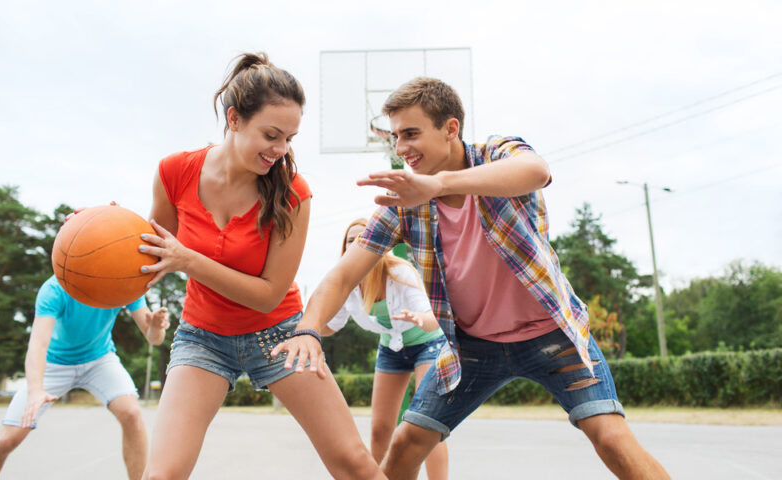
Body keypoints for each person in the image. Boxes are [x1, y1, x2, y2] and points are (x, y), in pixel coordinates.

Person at [273, 77, 671, 479]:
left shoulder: (496, 153)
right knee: (406, 443)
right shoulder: (404, 204)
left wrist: (439, 184)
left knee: (610, 438)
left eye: (411, 134)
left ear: (450, 129)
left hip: (551, 335)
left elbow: (535, 171)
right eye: (396, 137)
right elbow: (341, 277)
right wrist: (308, 329)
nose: (401, 148)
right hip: (473, 348)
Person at [137, 53, 384, 480]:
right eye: (271, 135)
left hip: (281, 334)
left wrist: (188, 259)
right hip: (203, 337)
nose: (280, 150)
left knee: (354, 464)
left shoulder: (292, 193)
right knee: (162, 474)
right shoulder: (174, 172)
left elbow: (269, 292)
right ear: (234, 119)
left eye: (289, 138)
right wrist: (95, 230)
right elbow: (151, 251)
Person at [0, 275, 169, 480]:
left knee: (132, 413)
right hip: (54, 364)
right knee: (6, 441)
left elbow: (154, 339)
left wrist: (155, 327)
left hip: (100, 359)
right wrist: (35, 390)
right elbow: (38, 344)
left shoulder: (124, 282)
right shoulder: (55, 288)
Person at [324, 218, 448, 479]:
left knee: (427, 423)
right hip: (392, 348)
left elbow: (432, 317)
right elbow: (331, 325)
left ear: (377, 243)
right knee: (380, 428)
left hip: (429, 342)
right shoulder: (346, 282)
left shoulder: (399, 272)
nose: (357, 244)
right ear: (344, 249)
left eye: (363, 237)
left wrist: (417, 319)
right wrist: (299, 330)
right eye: (350, 240)